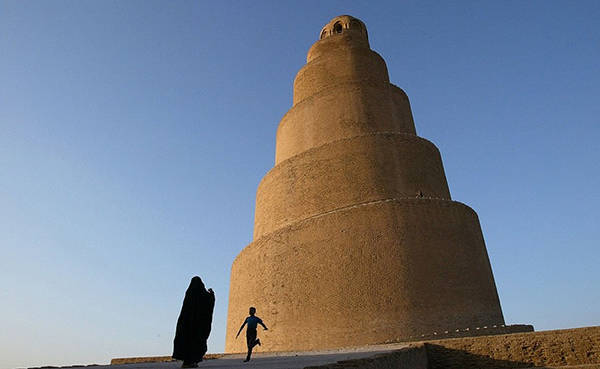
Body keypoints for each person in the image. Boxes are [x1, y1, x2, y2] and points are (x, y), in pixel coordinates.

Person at [173, 276, 215, 368]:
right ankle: (191, 362)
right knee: (196, 342)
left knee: (186, 342)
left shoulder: (189, 293)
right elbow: (208, 303)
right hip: (197, 327)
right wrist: (212, 294)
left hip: (186, 325)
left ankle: (187, 362)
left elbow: (184, 310)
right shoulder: (203, 295)